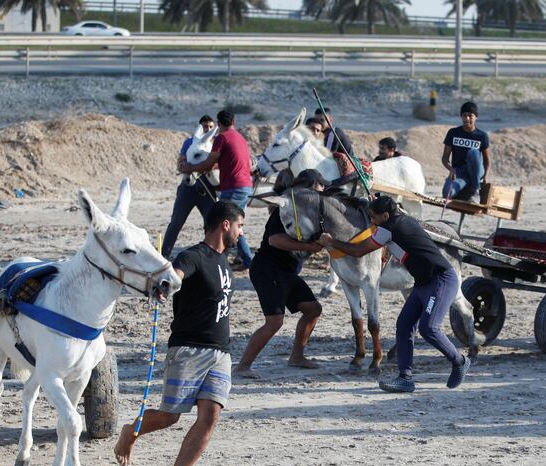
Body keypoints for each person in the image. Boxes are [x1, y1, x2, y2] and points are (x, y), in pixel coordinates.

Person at [114, 201, 244, 466]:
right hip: (188, 350)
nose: (241, 232)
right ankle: (129, 432)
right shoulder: (194, 256)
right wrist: (164, 285)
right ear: (225, 224)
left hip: (220, 352)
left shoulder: (225, 262)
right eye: (240, 225)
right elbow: (176, 275)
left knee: (210, 416)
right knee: (169, 416)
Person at [317, 196, 470, 393]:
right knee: (404, 325)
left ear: (386, 216)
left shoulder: (388, 229)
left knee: (429, 328)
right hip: (423, 283)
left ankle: (460, 361)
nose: (371, 221)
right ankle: (405, 378)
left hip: (441, 281)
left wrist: (332, 241)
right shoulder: (399, 219)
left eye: (373, 217)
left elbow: (357, 251)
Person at [234, 169, 328, 378]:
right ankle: (242, 366)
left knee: (313, 309)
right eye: (321, 186)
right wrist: (311, 247)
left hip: (287, 272)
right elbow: (275, 240)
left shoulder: (310, 212)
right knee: (274, 322)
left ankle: (297, 356)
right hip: (268, 270)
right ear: (312, 187)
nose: (323, 190)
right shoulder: (286, 209)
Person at [181, 110, 254, 270]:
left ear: (219, 124)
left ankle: (242, 259)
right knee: (233, 223)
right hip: (246, 185)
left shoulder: (222, 138)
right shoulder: (241, 138)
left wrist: (190, 167)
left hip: (233, 187)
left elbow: (208, 163)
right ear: (233, 122)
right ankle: (243, 258)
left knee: (227, 222)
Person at [162, 114, 219, 258]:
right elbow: (180, 164)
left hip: (207, 189)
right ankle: (164, 255)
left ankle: (211, 256)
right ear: (200, 127)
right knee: (176, 223)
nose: (208, 129)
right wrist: (187, 167)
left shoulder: (216, 145)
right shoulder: (189, 143)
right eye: (205, 126)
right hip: (188, 188)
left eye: (211, 127)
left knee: (210, 224)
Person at [441, 101, 490, 203]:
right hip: (459, 173)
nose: (467, 118)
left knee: (473, 152)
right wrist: (451, 169)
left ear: (476, 117)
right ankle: (463, 188)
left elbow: (487, 160)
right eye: (464, 115)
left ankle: (476, 190)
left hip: (476, 170)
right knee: (447, 193)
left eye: (470, 116)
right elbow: (445, 158)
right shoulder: (453, 133)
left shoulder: (482, 136)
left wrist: (484, 177)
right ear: (461, 117)